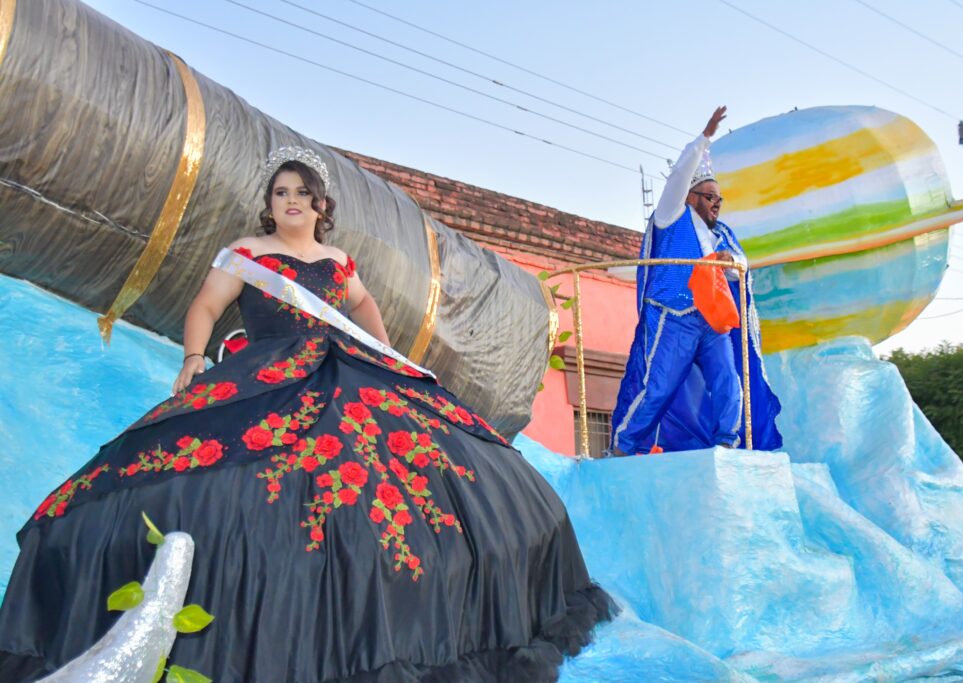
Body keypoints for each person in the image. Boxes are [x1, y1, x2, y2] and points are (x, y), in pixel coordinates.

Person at [0, 147, 614, 682]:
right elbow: (206, 307)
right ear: (269, 204)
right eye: (281, 192)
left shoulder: (338, 260)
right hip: (266, 371)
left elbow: (363, 304)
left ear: (321, 205)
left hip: (343, 367)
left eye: (303, 192)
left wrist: (384, 354)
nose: (291, 200)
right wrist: (192, 357)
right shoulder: (245, 253)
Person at [610, 107, 782, 455]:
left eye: (719, 199)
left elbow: (743, 264)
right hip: (674, 315)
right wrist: (704, 139)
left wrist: (731, 262)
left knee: (729, 380)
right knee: (659, 388)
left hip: (712, 320)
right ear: (690, 197)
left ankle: (727, 442)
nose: (716, 204)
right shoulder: (671, 215)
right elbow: (679, 176)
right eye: (709, 196)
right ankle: (624, 445)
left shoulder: (722, 234)